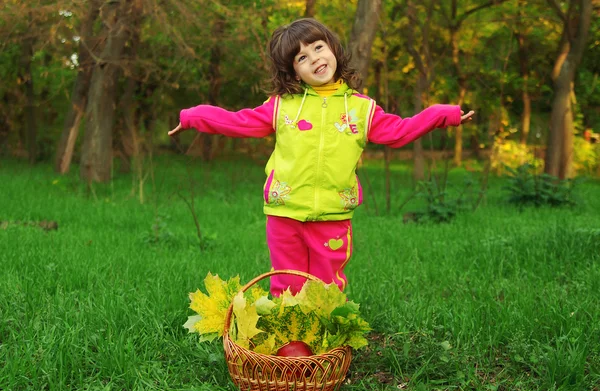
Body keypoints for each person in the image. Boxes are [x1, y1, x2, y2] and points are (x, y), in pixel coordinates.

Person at [168, 18, 474, 296]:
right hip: (284, 212)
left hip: (333, 216)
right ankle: (291, 347)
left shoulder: (361, 109)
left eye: (318, 47)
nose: (314, 58)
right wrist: (193, 116)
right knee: (287, 284)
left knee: (327, 287)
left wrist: (442, 114)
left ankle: (326, 344)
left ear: (333, 49)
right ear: (294, 71)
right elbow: (237, 122)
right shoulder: (282, 107)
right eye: (302, 57)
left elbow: (400, 131)